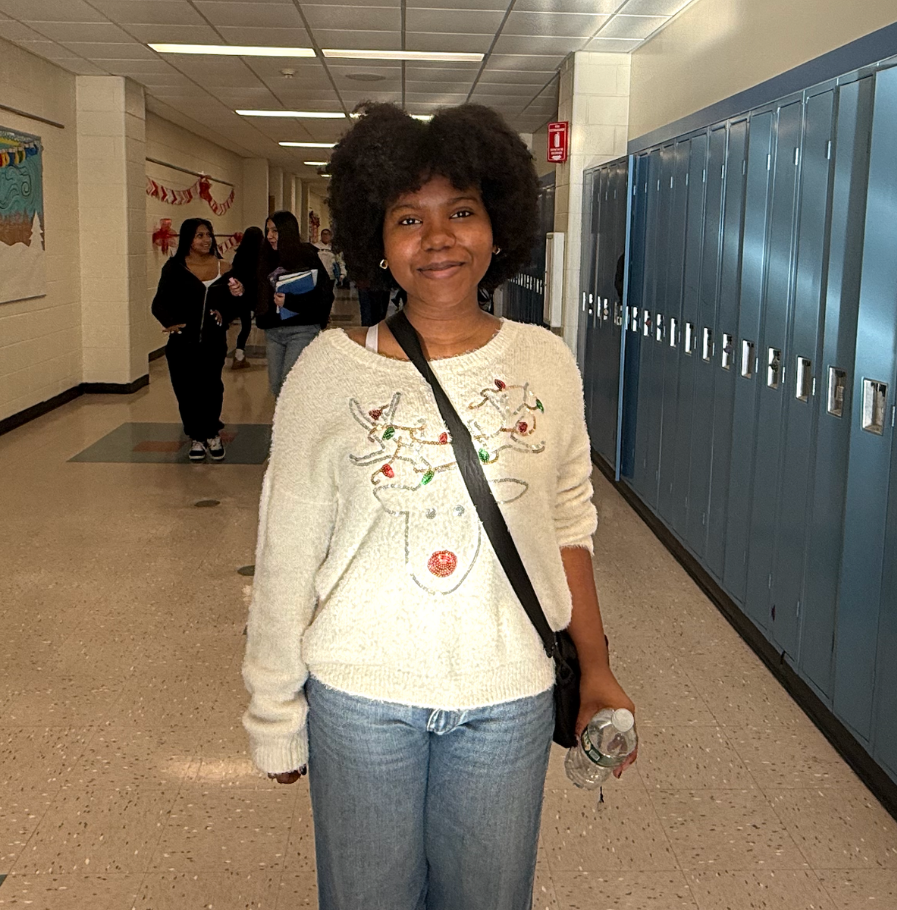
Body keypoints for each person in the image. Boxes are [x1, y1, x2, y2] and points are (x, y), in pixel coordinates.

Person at [242, 103, 637, 910]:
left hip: (509, 695)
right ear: (377, 242)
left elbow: (568, 520)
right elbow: (287, 547)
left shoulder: (546, 360)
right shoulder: (327, 370)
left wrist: (595, 669)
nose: (438, 237)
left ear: (497, 227)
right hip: (360, 698)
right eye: (407, 218)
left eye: (461, 211)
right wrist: (273, 706)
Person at [152, 217, 244, 462]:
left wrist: (230, 305)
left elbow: (236, 304)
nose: (206, 240)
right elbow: (158, 303)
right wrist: (170, 322)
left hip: (213, 341)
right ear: (188, 240)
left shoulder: (224, 268)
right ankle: (196, 437)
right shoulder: (174, 269)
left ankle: (212, 433)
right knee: (187, 390)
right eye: (199, 236)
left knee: (211, 388)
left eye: (208, 235)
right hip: (183, 343)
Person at [255, 211, 335, 397]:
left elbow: (323, 294)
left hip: (302, 328)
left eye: (275, 231)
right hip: (273, 330)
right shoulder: (266, 257)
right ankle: (285, 424)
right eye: (267, 230)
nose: (270, 236)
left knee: (290, 383)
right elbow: (258, 290)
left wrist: (291, 302)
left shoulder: (306, 255)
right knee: (276, 385)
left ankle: (295, 425)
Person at [229, 226, 264, 370]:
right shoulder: (262, 255)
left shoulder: (239, 255)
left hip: (241, 295)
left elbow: (234, 273)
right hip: (257, 295)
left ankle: (239, 354)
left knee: (245, 325)